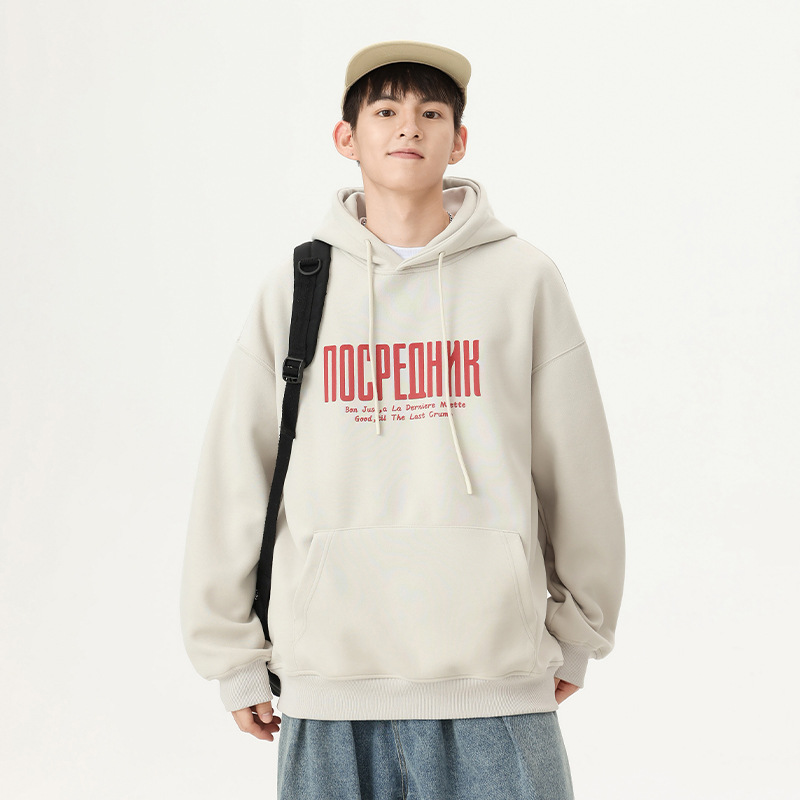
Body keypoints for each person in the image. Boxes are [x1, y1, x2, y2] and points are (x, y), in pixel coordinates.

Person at [179, 39, 626, 800]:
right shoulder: (299, 287)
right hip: (331, 682)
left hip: (494, 677)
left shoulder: (523, 280)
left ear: (459, 139)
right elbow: (236, 475)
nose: (409, 126)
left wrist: (578, 633)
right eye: (385, 111)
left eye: (431, 112)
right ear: (346, 137)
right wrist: (233, 657)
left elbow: (577, 469)